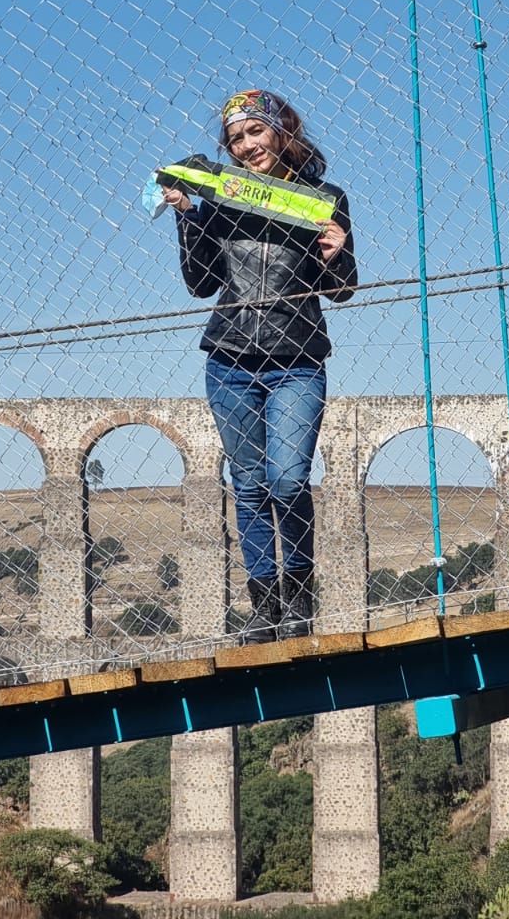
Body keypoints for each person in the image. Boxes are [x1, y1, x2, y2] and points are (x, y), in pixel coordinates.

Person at [161, 89, 357, 642]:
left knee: (288, 479)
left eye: (256, 132)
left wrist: (337, 251)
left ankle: (299, 600)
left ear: (280, 132)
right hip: (228, 358)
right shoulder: (221, 200)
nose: (247, 146)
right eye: (236, 139)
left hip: (297, 358)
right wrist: (188, 218)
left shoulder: (324, 197)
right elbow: (201, 284)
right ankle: (266, 610)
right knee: (248, 486)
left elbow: (341, 291)